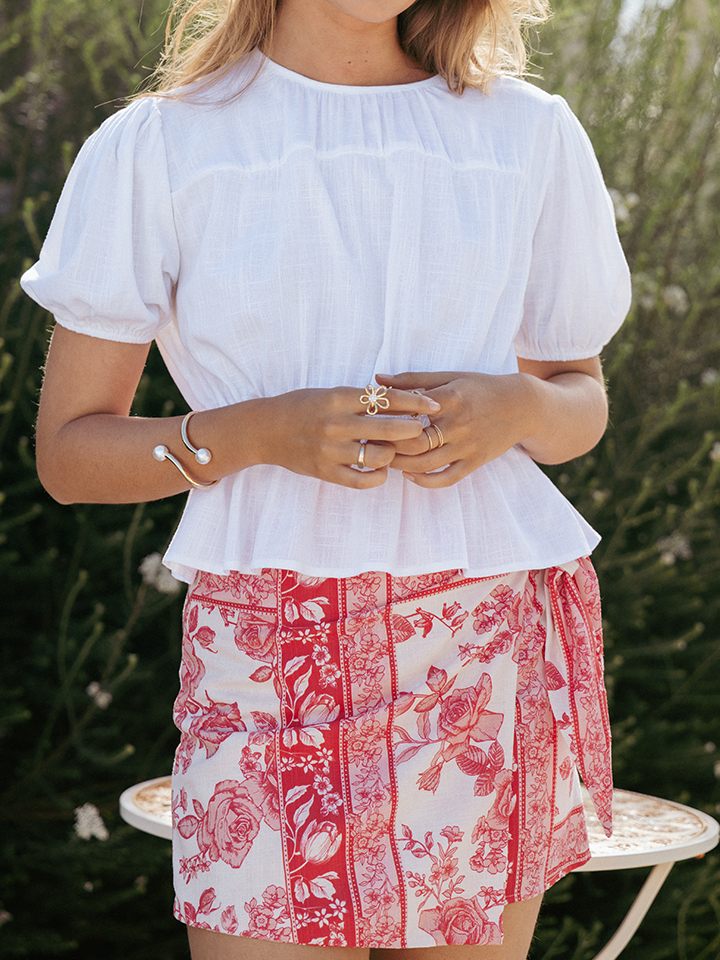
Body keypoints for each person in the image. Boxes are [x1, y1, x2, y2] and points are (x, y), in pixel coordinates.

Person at [21, 0, 631, 954]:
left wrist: (516, 407)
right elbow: (68, 455)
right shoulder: (159, 147)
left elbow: (578, 400)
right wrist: (260, 433)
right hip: (266, 660)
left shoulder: (530, 134)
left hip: (482, 653)